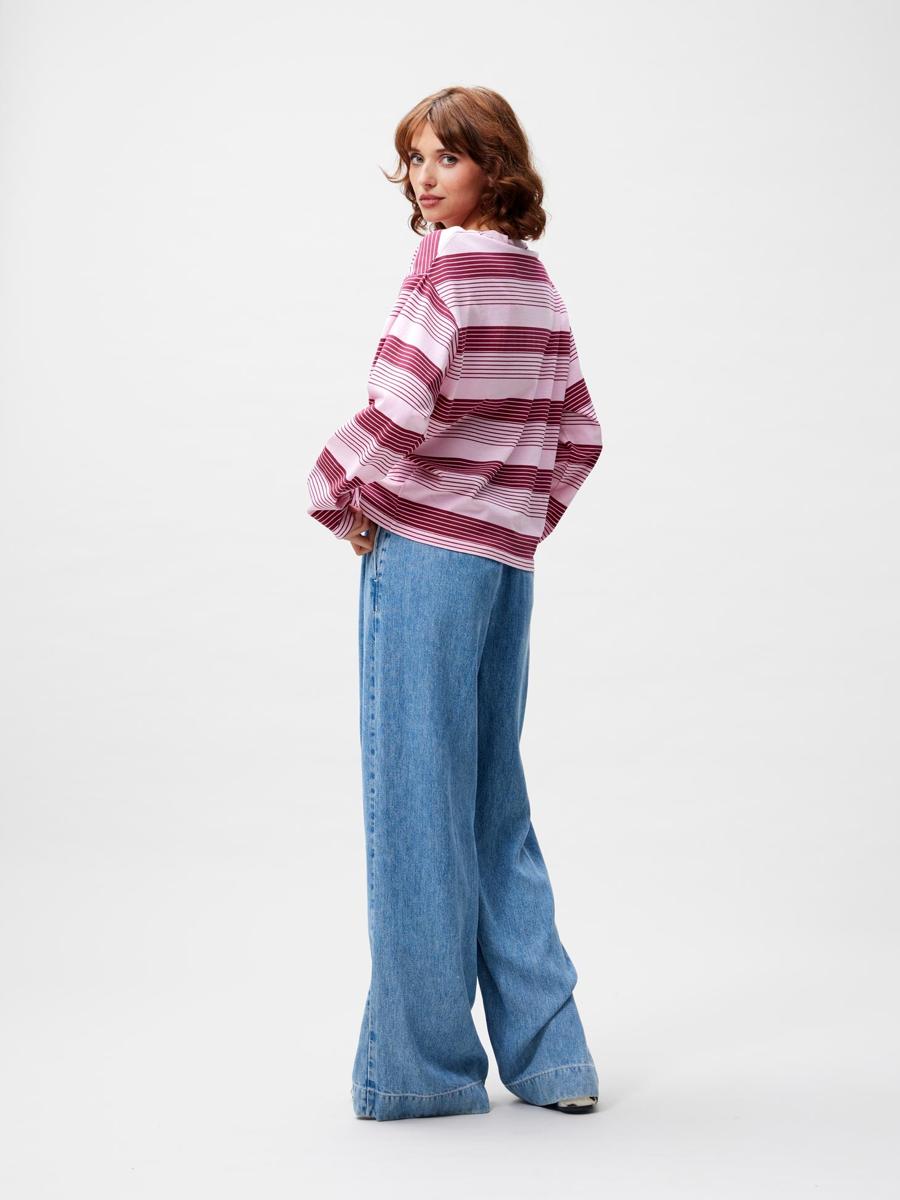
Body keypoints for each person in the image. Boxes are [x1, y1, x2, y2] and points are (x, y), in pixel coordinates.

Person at [306, 86, 604, 1121]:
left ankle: (423, 1073)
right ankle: (555, 1059)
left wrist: (333, 489)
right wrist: (515, 517)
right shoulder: (536, 283)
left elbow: (398, 407)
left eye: (448, 158)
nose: (425, 178)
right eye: (416, 159)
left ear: (494, 169)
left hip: (427, 561)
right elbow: (582, 433)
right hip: (502, 569)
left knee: (418, 807)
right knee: (492, 804)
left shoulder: (442, 271)